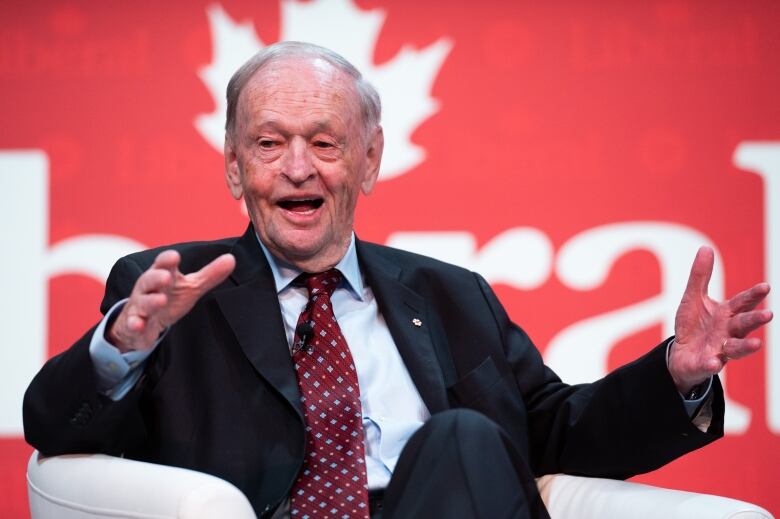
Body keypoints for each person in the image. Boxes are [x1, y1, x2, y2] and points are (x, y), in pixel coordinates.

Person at [23, 41, 773, 519]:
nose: (296, 167)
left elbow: (555, 432)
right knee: (463, 437)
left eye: (324, 142)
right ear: (232, 166)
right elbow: (54, 430)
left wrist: (674, 375)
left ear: (370, 161)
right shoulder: (172, 292)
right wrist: (119, 348)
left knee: (464, 440)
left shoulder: (451, 295)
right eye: (268, 143)